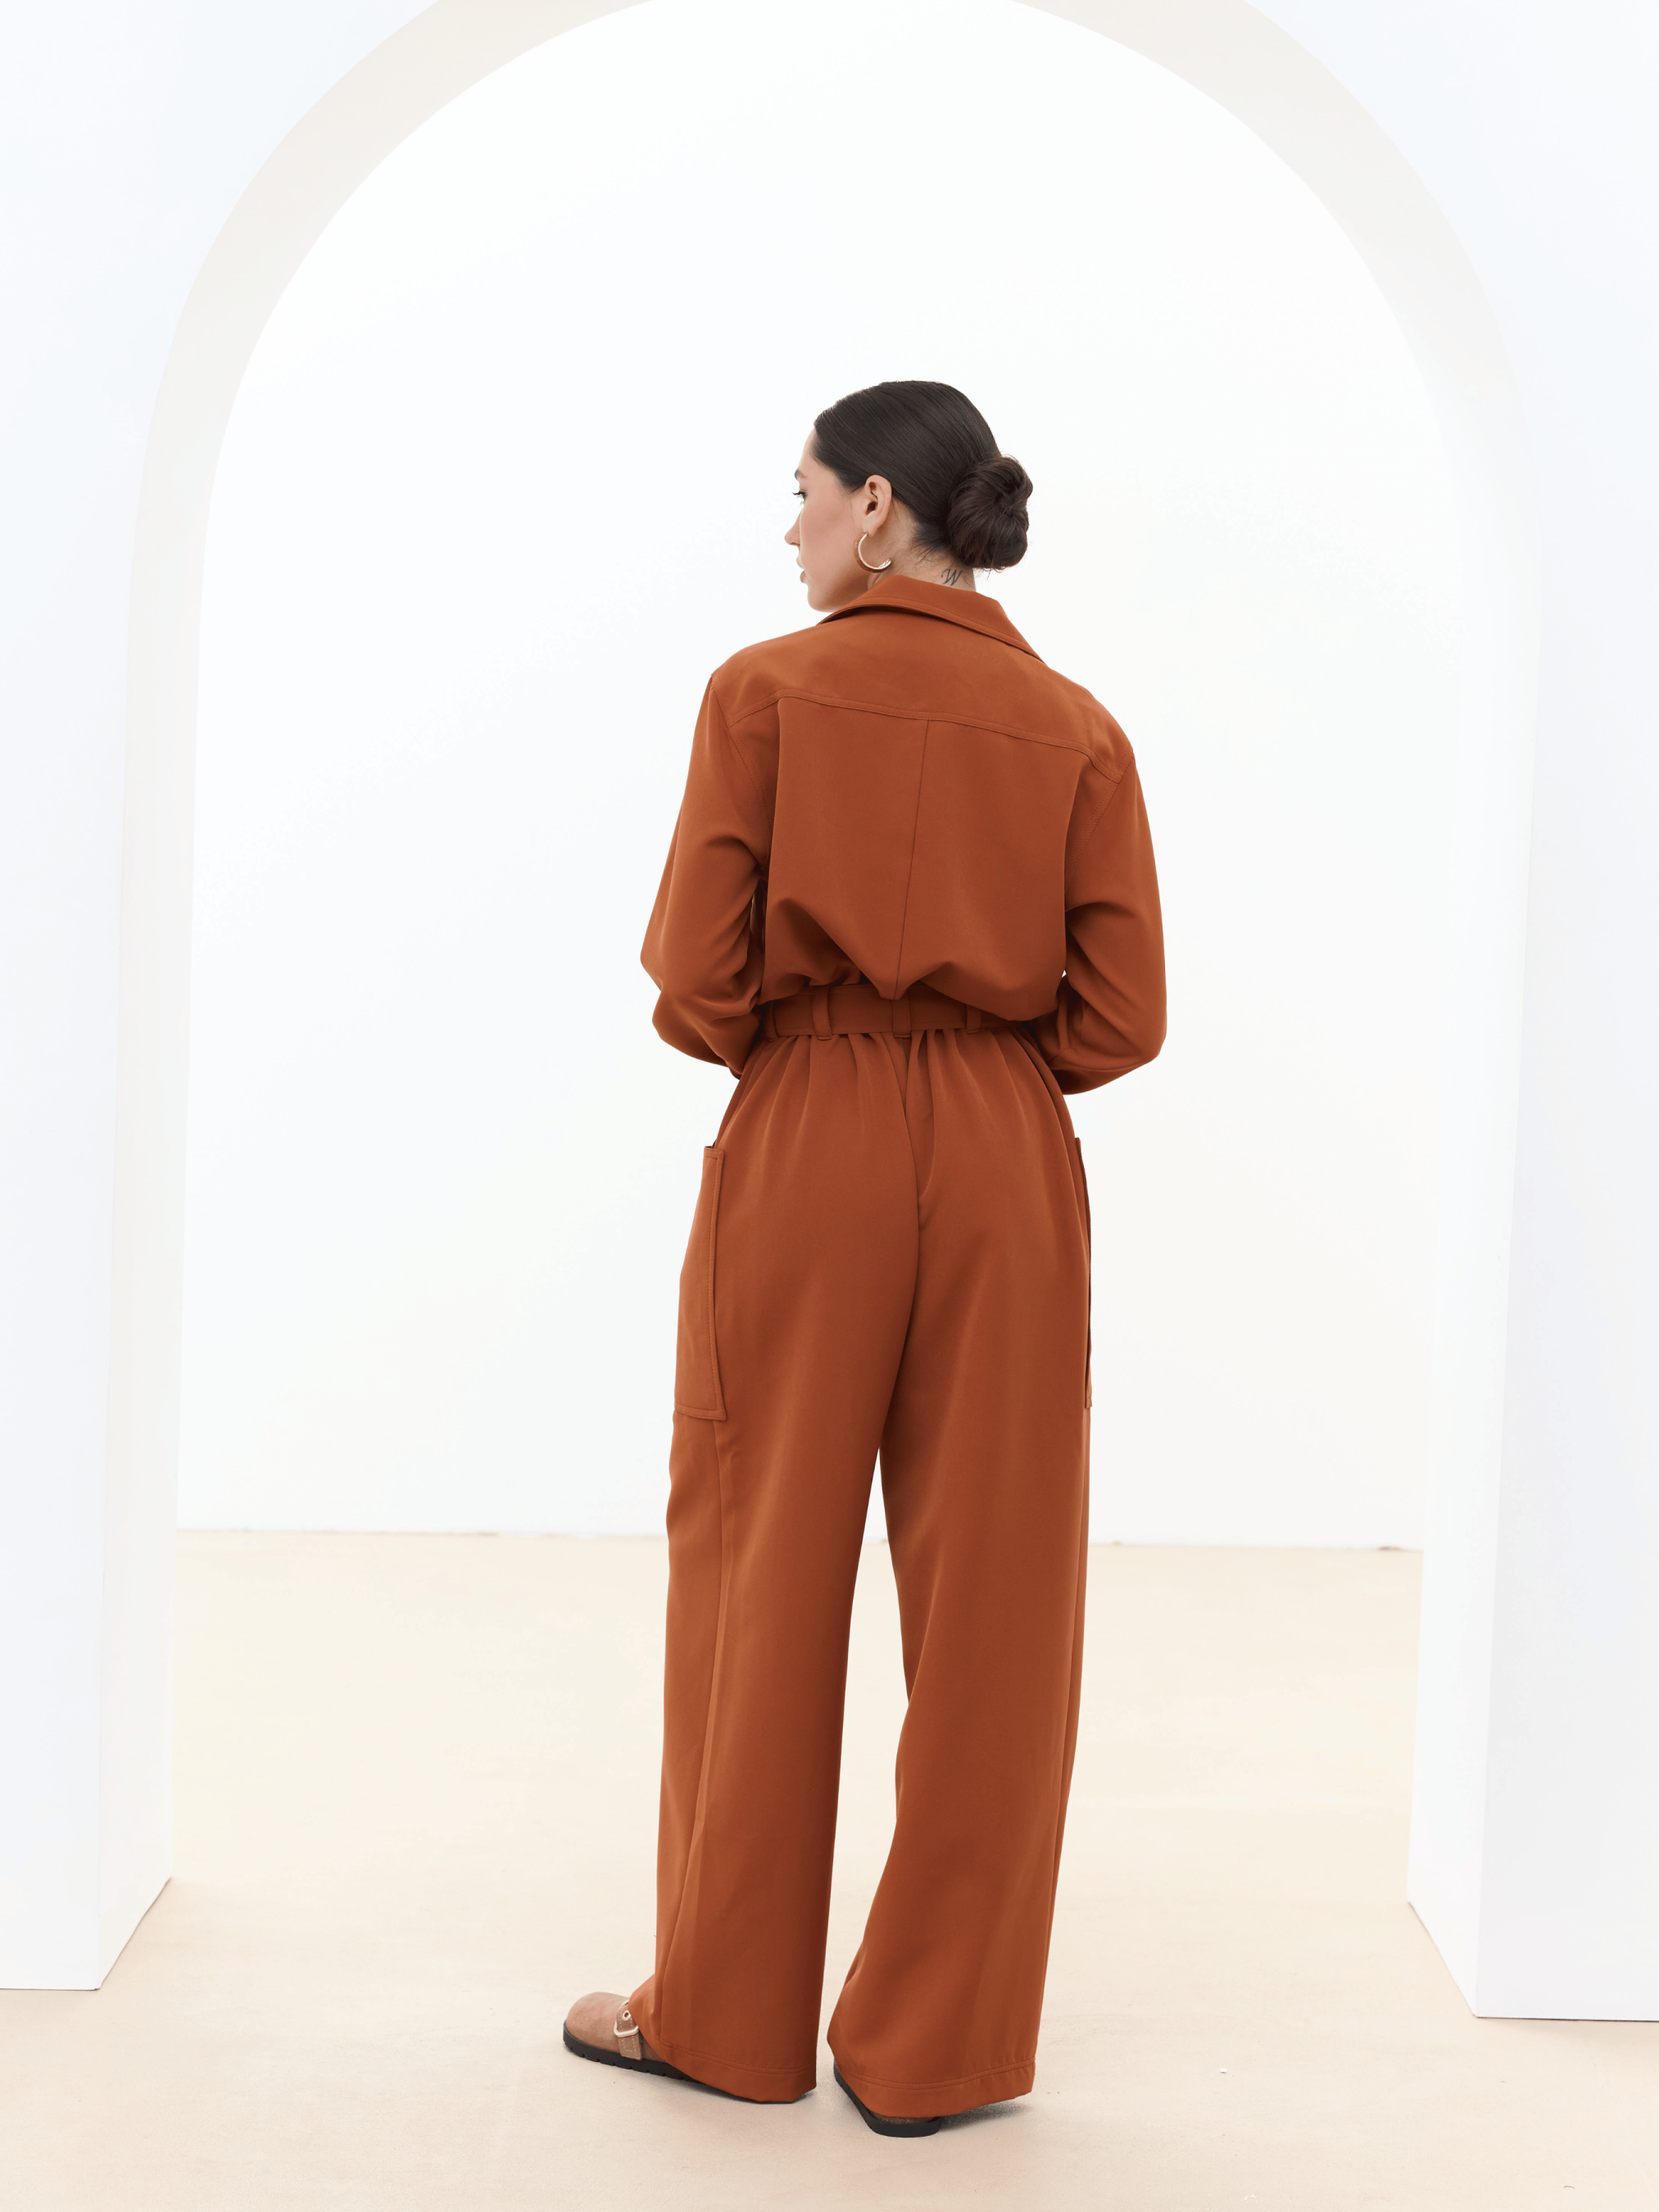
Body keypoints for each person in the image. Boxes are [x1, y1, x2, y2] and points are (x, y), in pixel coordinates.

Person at [564, 380, 1165, 2136]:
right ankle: (935, 2051)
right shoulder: (1079, 729)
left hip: (811, 1130)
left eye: (807, 491)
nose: (794, 526)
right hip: (1004, 1153)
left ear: (881, 507)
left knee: (759, 1558)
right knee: (999, 1598)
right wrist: (981, 1068)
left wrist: (826, 1054)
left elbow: (696, 974)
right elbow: (1125, 1012)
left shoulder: (762, 692)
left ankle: (724, 2018)